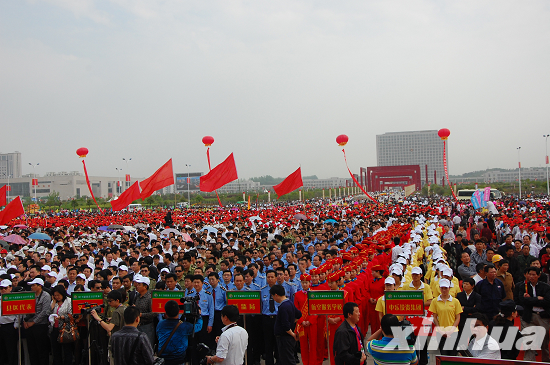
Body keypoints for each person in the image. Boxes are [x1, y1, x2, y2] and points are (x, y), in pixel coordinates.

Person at [517, 266, 550, 362]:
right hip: (528, 316)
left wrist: (530, 299)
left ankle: (546, 360)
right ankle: (529, 361)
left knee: (544, 342)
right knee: (529, 340)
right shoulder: (522, 286)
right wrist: (537, 298)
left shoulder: (546, 287)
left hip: (542, 316)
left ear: (538, 275)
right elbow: (522, 301)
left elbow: (547, 302)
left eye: (533, 275)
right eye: (529, 274)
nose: (531, 276)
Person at [156, 300, 203, 365]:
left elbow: (158, 335)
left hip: (163, 359)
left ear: (165, 312)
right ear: (178, 310)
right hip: (179, 359)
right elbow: (198, 327)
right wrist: (199, 315)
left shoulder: (160, 324)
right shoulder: (184, 326)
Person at [428, 278, 462, 356]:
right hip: (440, 333)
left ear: (449, 288)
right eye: (442, 288)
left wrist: (451, 330)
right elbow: (435, 317)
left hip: (453, 332)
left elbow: (458, 317)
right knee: (443, 355)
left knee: (453, 356)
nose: (444, 290)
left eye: (446, 288)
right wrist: (440, 330)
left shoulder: (455, 301)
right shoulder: (435, 301)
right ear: (439, 288)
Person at [271, 284, 302, 365]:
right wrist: (292, 321)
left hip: (285, 338)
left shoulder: (283, 306)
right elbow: (299, 314)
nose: (273, 299)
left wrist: (292, 334)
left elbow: (285, 325)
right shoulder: (290, 303)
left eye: (273, 296)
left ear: (276, 295)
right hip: (287, 338)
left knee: (288, 360)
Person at [24, 278, 51, 365]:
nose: (31, 287)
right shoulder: (30, 295)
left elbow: (45, 311)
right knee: (32, 349)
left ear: (40, 286)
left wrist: (34, 322)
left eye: (33, 285)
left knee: (42, 349)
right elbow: (25, 308)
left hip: (40, 325)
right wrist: (25, 320)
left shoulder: (46, 295)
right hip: (30, 325)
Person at [49, 285, 74, 365]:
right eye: (55, 295)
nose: (57, 297)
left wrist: (61, 317)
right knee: (56, 351)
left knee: (67, 351)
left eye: (58, 295)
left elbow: (72, 315)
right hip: (54, 329)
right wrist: (52, 305)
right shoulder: (54, 302)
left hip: (65, 329)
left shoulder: (69, 301)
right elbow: (48, 314)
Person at [0, 279, 19, 365]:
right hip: (1, 326)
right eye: (1, 288)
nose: (3, 290)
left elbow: (19, 314)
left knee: (11, 349)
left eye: (5, 288)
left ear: (10, 288)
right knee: (2, 350)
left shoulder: (14, 299)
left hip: (10, 326)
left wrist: (16, 325)